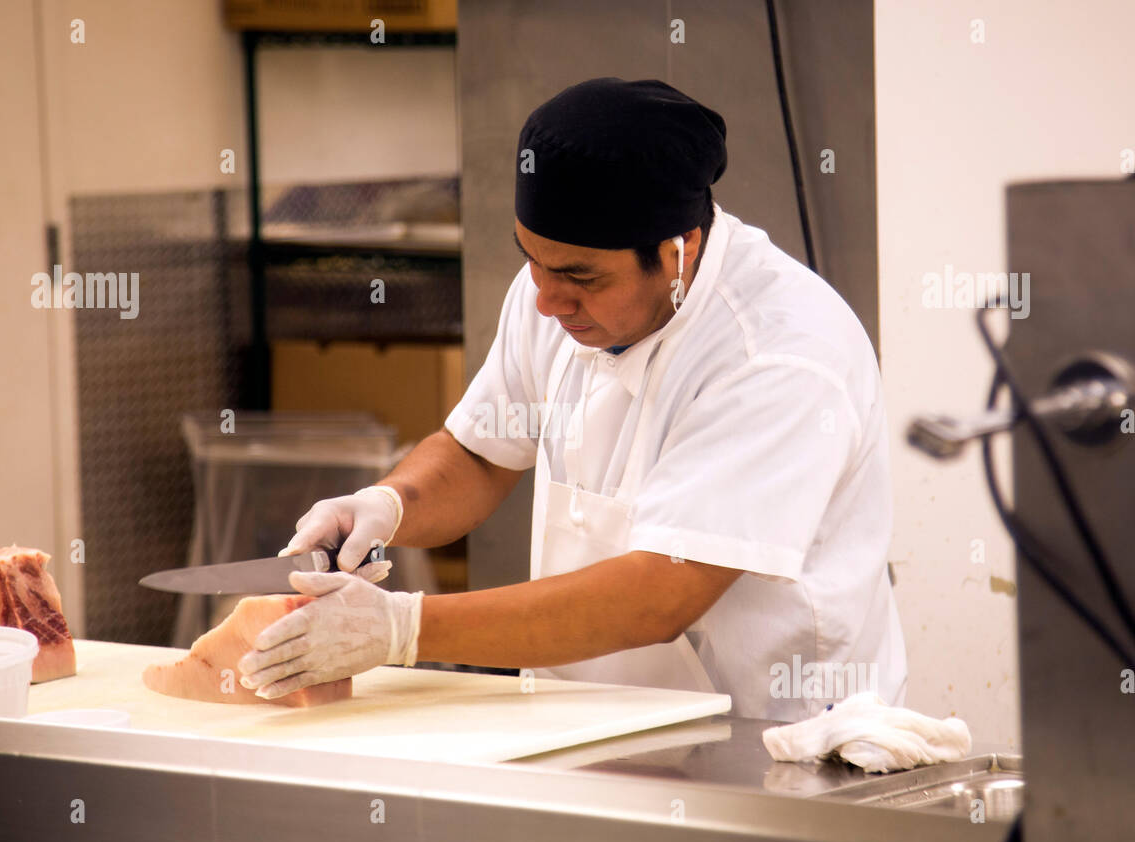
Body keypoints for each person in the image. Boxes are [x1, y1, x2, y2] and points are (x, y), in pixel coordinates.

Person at [238, 77, 907, 720]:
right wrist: (387, 505)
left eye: (581, 278)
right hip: (595, 724)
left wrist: (402, 629)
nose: (546, 301)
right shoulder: (552, 294)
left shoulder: (778, 356)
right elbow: (481, 453)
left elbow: (659, 594)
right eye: (531, 260)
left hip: (774, 738)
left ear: (679, 253)